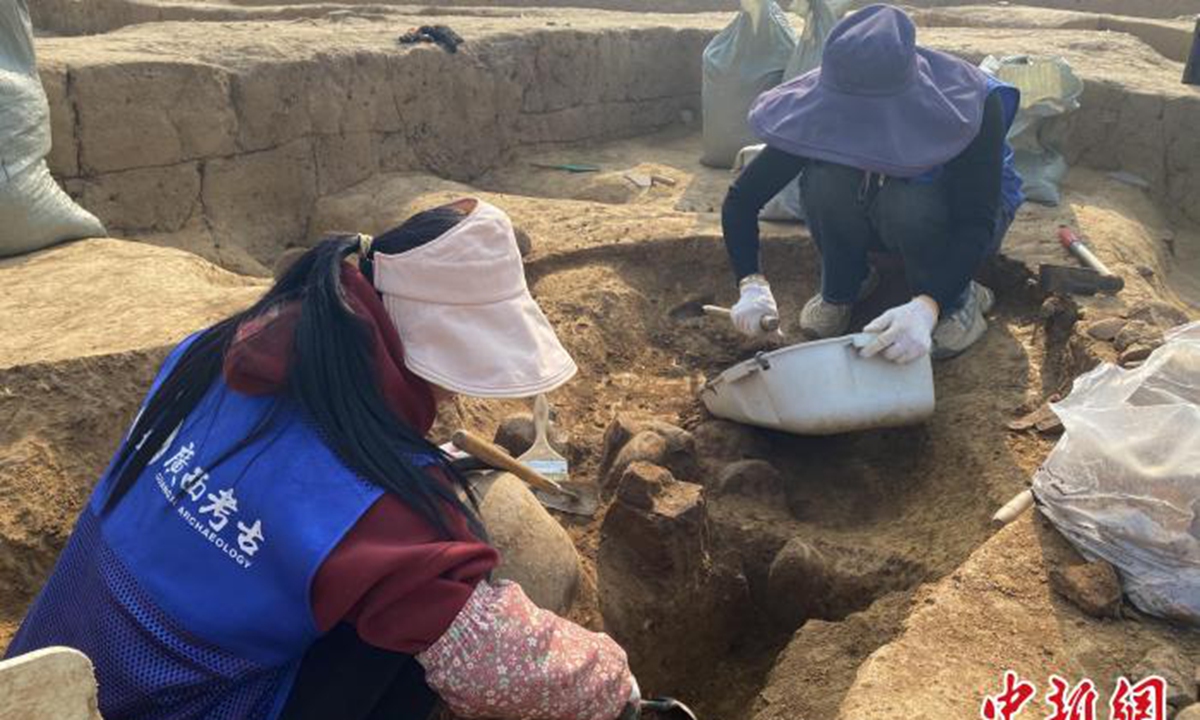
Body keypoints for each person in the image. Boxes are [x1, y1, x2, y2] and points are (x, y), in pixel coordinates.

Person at [6, 198, 639, 720]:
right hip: (179, 704)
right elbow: (496, 662)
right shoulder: (385, 511)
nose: (452, 393)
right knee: (411, 651)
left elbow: (279, 487)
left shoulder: (207, 354)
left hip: (45, 680)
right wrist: (619, 686)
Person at [723, 4, 1023, 362]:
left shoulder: (970, 104)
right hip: (882, 206)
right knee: (825, 180)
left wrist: (928, 306)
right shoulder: (832, 100)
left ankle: (959, 300)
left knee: (907, 203)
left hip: (954, 218)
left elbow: (976, 220)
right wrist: (751, 284)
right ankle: (845, 284)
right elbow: (743, 199)